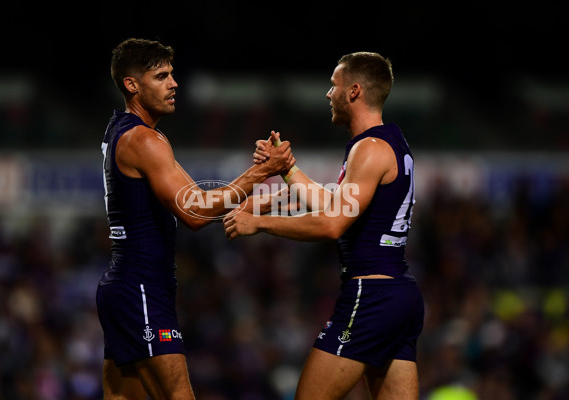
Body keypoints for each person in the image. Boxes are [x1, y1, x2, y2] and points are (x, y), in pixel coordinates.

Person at [96, 38, 294, 399]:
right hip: (141, 286)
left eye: (172, 74)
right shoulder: (144, 140)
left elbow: (200, 201)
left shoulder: (129, 132)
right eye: (161, 76)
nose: (174, 84)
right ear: (131, 85)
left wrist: (259, 201)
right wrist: (261, 172)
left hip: (126, 286)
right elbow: (195, 213)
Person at [223, 52, 424, 400]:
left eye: (334, 86)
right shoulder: (389, 143)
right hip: (399, 294)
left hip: (371, 295)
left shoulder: (369, 148)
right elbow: (337, 206)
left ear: (354, 91)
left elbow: (331, 225)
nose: (328, 94)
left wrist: (259, 223)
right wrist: (287, 169)